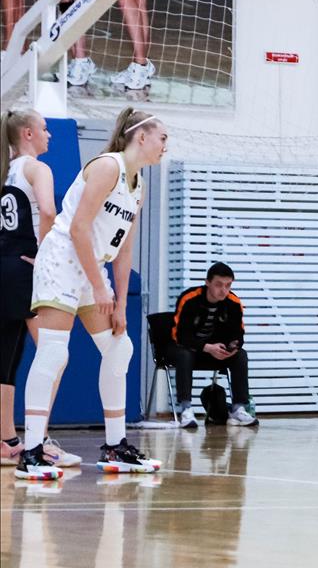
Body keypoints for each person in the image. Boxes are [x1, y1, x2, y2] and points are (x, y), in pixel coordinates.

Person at [18, 107, 166, 480]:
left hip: (91, 264)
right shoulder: (107, 166)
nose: (166, 145)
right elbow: (79, 228)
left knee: (120, 347)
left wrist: (119, 301)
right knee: (53, 351)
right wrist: (99, 287)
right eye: (162, 137)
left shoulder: (139, 185)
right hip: (63, 256)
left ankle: (116, 446)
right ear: (142, 137)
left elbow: (125, 250)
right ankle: (31, 451)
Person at [0, 110, 56, 466]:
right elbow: (48, 211)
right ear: (28, 133)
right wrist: (44, 255)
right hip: (25, 267)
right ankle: (40, 440)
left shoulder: (6, 169)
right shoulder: (37, 168)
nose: (49, 135)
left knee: (7, 358)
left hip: (4, 264)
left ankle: (7, 440)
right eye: (45, 129)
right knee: (53, 354)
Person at [171, 262, 256, 428]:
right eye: (218, 285)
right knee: (184, 354)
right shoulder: (189, 299)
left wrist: (233, 347)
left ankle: (238, 408)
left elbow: (239, 334)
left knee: (241, 355)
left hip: (215, 352)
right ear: (207, 282)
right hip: (187, 349)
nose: (223, 290)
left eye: (228, 285)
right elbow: (180, 335)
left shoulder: (233, 302)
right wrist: (207, 347)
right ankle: (186, 409)